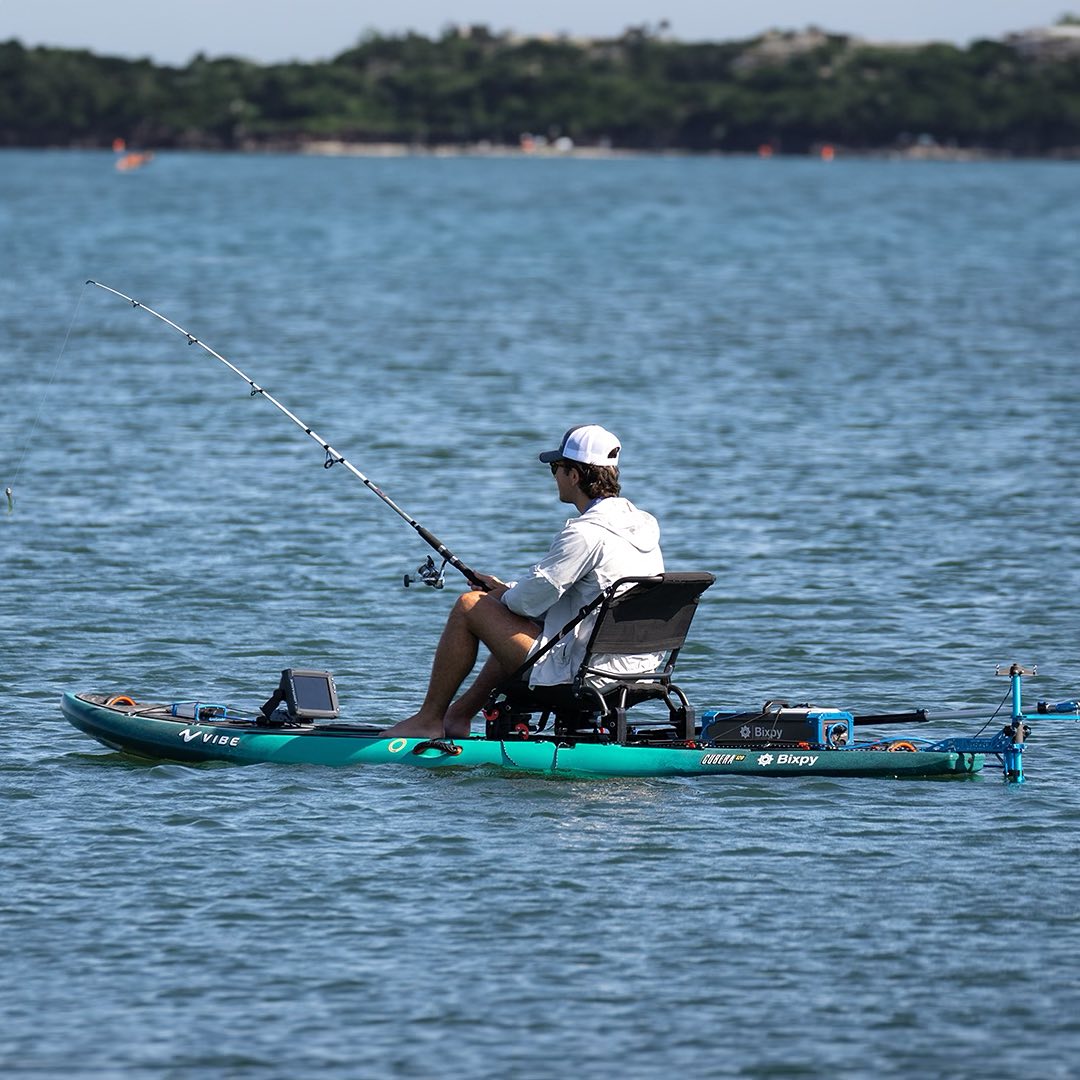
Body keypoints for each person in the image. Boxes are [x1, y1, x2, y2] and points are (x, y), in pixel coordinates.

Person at [384, 424, 664, 740]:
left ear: (574, 476)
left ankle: (428, 719)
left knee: (470, 606)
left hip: (587, 675)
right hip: (640, 670)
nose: (554, 476)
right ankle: (458, 717)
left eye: (556, 468)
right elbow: (569, 594)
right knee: (510, 620)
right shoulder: (643, 524)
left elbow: (527, 602)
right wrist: (508, 593)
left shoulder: (585, 533)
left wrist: (503, 593)